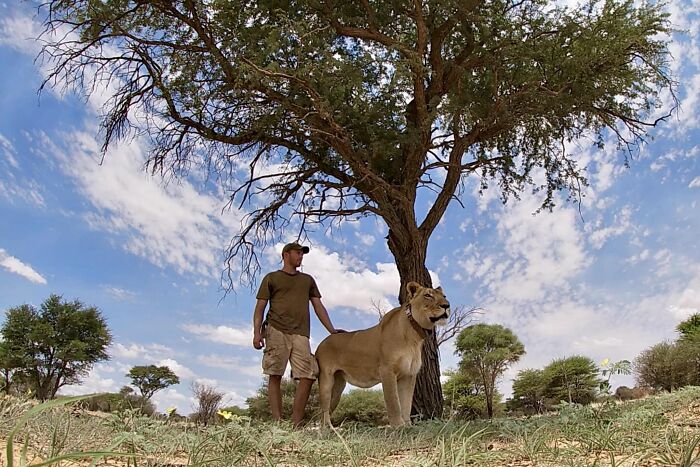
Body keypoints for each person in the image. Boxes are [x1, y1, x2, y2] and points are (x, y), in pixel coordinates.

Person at [252, 242, 344, 427]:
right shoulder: (272, 278)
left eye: (302, 253)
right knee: (275, 374)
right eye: (297, 253)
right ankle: (278, 423)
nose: (301, 256)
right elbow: (260, 307)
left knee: (309, 375)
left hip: (301, 333)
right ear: (286, 254)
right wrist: (256, 333)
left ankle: (295, 424)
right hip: (276, 329)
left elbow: (318, 305)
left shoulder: (307, 280)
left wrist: (332, 330)